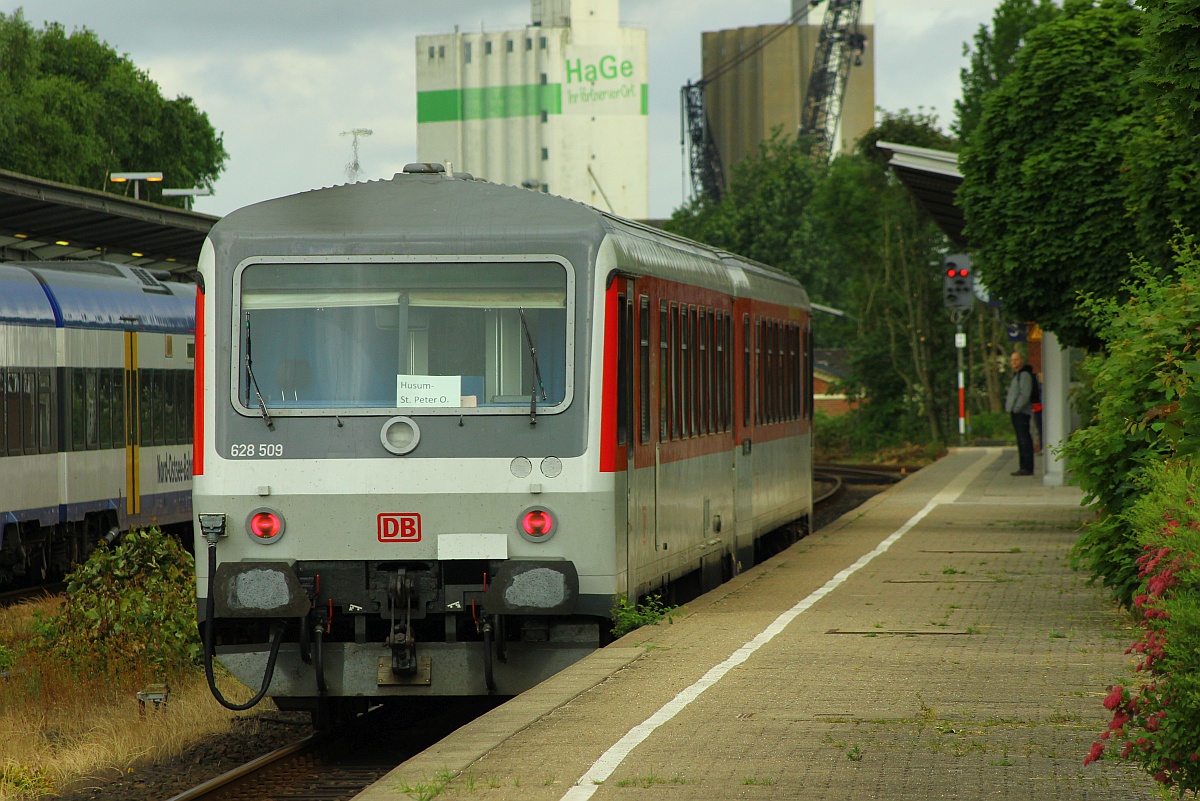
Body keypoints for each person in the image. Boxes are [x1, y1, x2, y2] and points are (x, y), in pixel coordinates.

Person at [1005, 351, 1035, 476]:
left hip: (1022, 412)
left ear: (1022, 360)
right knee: (1020, 439)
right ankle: (1023, 466)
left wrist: (1016, 408)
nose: (1014, 362)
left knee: (1024, 439)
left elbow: (1025, 394)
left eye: (1016, 359)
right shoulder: (1016, 375)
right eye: (1012, 360)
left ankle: (1027, 467)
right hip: (1015, 411)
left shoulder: (1024, 375)